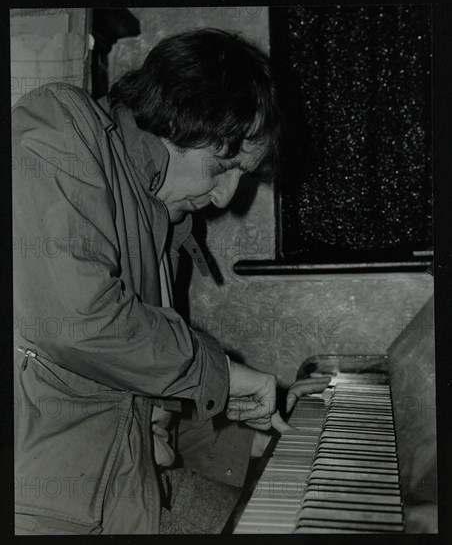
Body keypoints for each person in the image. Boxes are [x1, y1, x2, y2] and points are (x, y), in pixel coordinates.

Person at [13, 28, 330, 535]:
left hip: (130, 486)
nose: (227, 198)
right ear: (176, 125)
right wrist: (219, 376)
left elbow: (138, 401)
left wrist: (253, 432)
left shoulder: (161, 221)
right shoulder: (57, 125)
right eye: (222, 166)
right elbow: (79, 322)